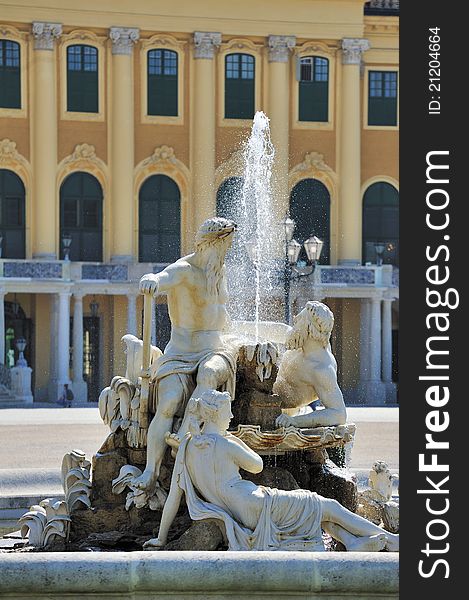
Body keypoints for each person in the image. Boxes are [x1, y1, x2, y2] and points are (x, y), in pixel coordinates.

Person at [144, 390, 399, 553]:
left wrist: (160, 537)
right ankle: (389, 538)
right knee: (326, 504)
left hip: (244, 511)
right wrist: (236, 439)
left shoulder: (187, 446)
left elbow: (174, 498)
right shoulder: (225, 444)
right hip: (257, 505)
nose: (232, 415)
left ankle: (354, 542)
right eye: (227, 411)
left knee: (317, 512)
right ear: (214, 414)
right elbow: (257, 464)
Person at [134, 218, 238, 494]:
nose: (227, 251)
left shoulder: (219, 270)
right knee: (168, 401)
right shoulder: (184, 270)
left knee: (209, 374)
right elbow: (163, 278)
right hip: (180, 353)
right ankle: (150, 472)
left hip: (215, 350)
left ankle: (184, 434)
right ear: (210, 244)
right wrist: (152, 280)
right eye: (224, 245)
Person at [274, 301, 347, 429]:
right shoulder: (301, 343)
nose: (295, 318)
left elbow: (339, 414)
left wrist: (295, 421)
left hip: (275, 410)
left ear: (309, 327)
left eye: (300, 317)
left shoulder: (322, 369)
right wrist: (235, 325)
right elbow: (280, 331)